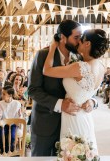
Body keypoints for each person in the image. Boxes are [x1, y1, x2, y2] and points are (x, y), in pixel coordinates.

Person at [28, 20, 97, 156]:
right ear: (63, 37)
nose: (80, 41)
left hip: (72, 126)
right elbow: (32, 90)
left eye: (81, 37)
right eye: (76, 38)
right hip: (46, 125)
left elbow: (88, 86)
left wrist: (93, 102)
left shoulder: (79, 58)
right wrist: (60, 104)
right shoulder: (42, 55)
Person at [43, 28, 110, 151]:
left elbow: (46, 70)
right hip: (85, 116)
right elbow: (86, 92)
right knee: (82, 152)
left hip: (72, 116)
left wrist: (52, 47)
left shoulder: (79, 67)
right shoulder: (101, 66)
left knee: (73, 152)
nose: (78, 42)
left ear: (87, 43)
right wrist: (92, 101)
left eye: (81, 39)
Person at [0, 86, 22, 153]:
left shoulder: (17, 103)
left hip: (13, 124)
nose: (2, 95)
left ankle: (10, 152)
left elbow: (19, 119)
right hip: (3, 124)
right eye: (2, 93)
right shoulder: (0, 103)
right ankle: (3, 152)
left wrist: (20, 115)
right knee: (1, 135)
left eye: (4, 94)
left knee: (12, 137)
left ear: (10, 95)